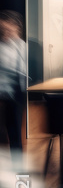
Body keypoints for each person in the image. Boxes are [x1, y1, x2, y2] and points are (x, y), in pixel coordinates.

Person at [0, 11, 26, 158]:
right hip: (4, 95)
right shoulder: (2, 47)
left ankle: (18, 167)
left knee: (14, 133)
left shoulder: (23, 46)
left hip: (16, 95)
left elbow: (25, 71)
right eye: (3, 29)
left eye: (8, 29)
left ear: (17, 27)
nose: (5, 32)